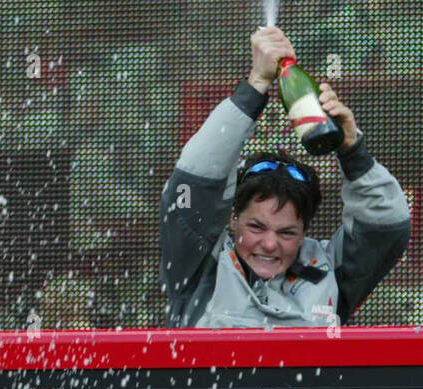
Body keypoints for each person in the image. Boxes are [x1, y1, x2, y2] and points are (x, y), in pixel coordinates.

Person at [160, 27, 410, 329]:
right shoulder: (197, 262)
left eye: (286, 233)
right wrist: (255, 85)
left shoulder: (332, 270)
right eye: (256, 226)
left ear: (305, 233)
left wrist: (352, 150)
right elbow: (193, 180)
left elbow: (388, 225)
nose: (268, 244)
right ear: (233, 218)